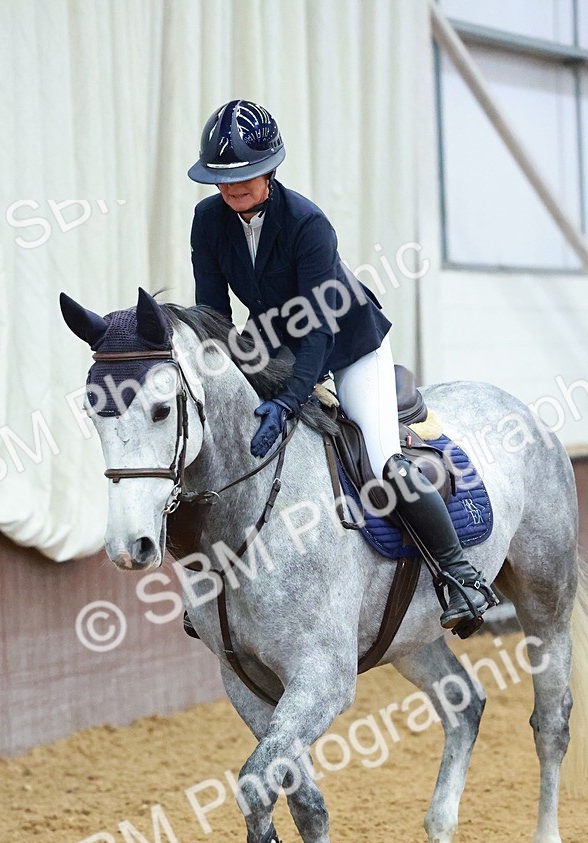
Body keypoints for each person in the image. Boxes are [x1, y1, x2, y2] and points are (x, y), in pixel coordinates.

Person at [187, 99, 494, 631]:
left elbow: (320, 327)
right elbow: (214, 312)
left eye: (243, 179)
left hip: (348, 345)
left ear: (270, 171)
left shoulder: (308, 224)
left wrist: (287, 398)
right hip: (275, 343)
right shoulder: (208, 220)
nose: (231, 190)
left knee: (383, 463)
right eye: (221, 180)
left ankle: (459, 574)